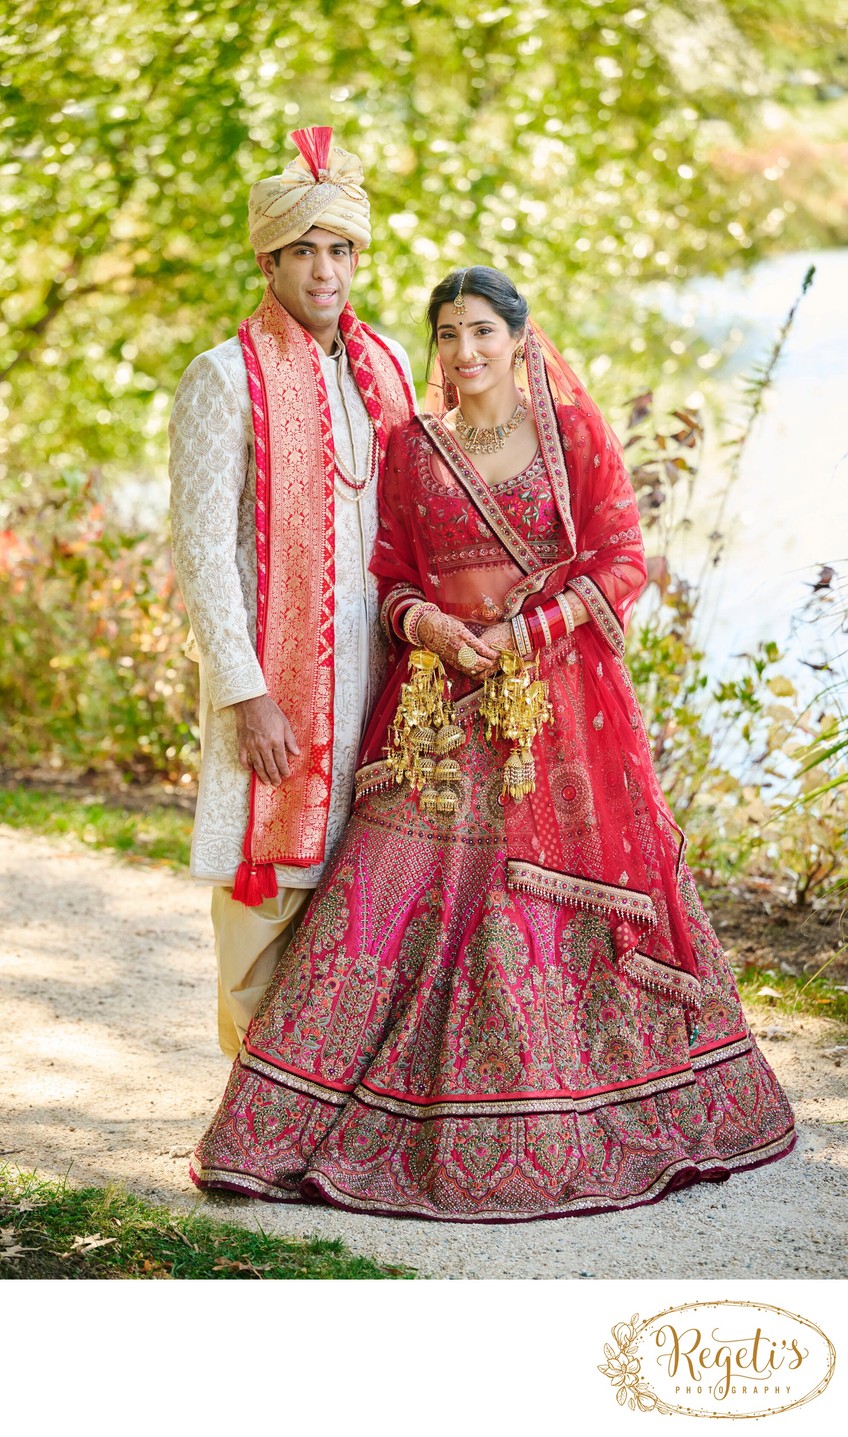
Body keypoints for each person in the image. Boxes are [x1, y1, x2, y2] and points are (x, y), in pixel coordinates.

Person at [190, 265, 795, 1222]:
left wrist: (527, 635)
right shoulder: (413, 447)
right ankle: (289, 1128)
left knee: (543, 905)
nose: (463, 352)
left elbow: (622, 561)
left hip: (555, 712)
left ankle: (580, 1116)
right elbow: (387, 574)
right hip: (435, 715)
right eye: (445, 335)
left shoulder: (569, 438)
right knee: (377, 901)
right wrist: (428, 626)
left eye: (480, 331)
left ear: (519, 336)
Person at [169, 127, 415, 1061]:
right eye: (303, 250)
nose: (324, 270)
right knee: (263, 893)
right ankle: (249, 1100)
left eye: (339, 249)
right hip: (273, 682)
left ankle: (322, 1101)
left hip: (377, 674)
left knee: (355, 885)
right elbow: (201, 554)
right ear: (268, 260)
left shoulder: (383, 369)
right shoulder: (222, 377)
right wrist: (247, 692)